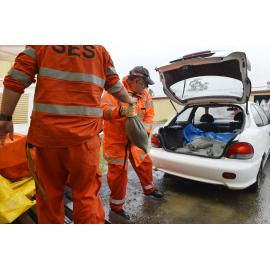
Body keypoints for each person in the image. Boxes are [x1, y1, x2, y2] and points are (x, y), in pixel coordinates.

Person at [0, 45, 136, 224]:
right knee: (86, 195)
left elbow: (16, 78)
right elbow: (115, 85)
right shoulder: (99, 51)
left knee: (48, 194)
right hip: (85, 141)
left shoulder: (41, 44)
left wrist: (5, 117)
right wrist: (129, 100)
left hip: (47, 138)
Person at [101, 66, 164, 220]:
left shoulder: (145, 95)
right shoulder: (114, 91)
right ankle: (116, 207)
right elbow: (102, 111)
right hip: (117, 142)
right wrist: (121, 111)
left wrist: (144, 133)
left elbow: (150, 115)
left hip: (136, 140)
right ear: (137, 81)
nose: (147, 87)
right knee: (118, 175)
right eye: (145, 84)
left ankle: (149, 189)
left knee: (145, 164)